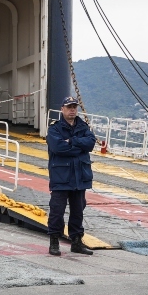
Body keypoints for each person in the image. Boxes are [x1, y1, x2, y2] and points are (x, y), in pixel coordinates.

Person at [46, 96, 96, 257]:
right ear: (62, 109)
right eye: (69, 107)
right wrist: (79, 146)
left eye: (74, 107)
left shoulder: (83, 127)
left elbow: (91, 143)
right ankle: (54, 242)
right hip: (61, 176)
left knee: (78, 211)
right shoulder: (54, 129)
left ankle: (76, 242)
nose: (72, 110)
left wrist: (71, 141)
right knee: (57, 211)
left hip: (79, 177)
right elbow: (58, 148)